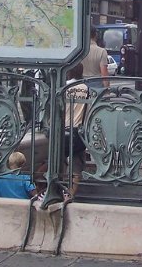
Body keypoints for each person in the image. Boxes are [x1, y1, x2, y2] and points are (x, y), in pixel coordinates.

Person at [63, 61, 89, 201]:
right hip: (77, 131)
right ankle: (70, 194)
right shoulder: (85, 88)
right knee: (76, 167)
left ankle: (56, 189)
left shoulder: (64, 87)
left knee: (58, 163)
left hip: (62, 130)